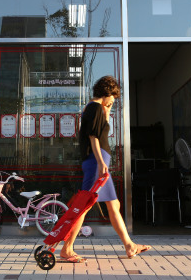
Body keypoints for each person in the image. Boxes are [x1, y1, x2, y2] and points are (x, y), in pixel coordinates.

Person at [59, 75, 151, 263]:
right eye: (113, 98)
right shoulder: (93, 108)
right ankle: (66, 249)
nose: (113, 102)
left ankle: (129, 245)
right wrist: (101, 163)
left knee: (113, 205)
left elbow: (101, 132)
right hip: (95, 162)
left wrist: (106, 110)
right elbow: (94, 138)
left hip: (98, 161)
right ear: (107, 93)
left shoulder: (97, 109)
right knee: (84, 207)